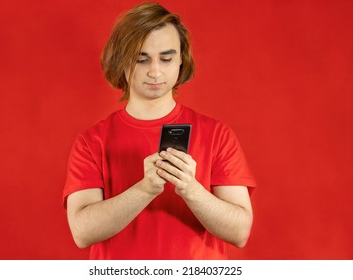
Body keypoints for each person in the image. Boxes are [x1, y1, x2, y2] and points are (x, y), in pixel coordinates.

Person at [63, 2, 256, 260]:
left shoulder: (217, 135)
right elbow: (82, 231)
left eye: (166, 58)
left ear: (180, 61)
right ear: (121, 62)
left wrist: (190, 188)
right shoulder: (91, 142)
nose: (155, 71)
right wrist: (145, 189)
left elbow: (240, 231)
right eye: (141, 59)